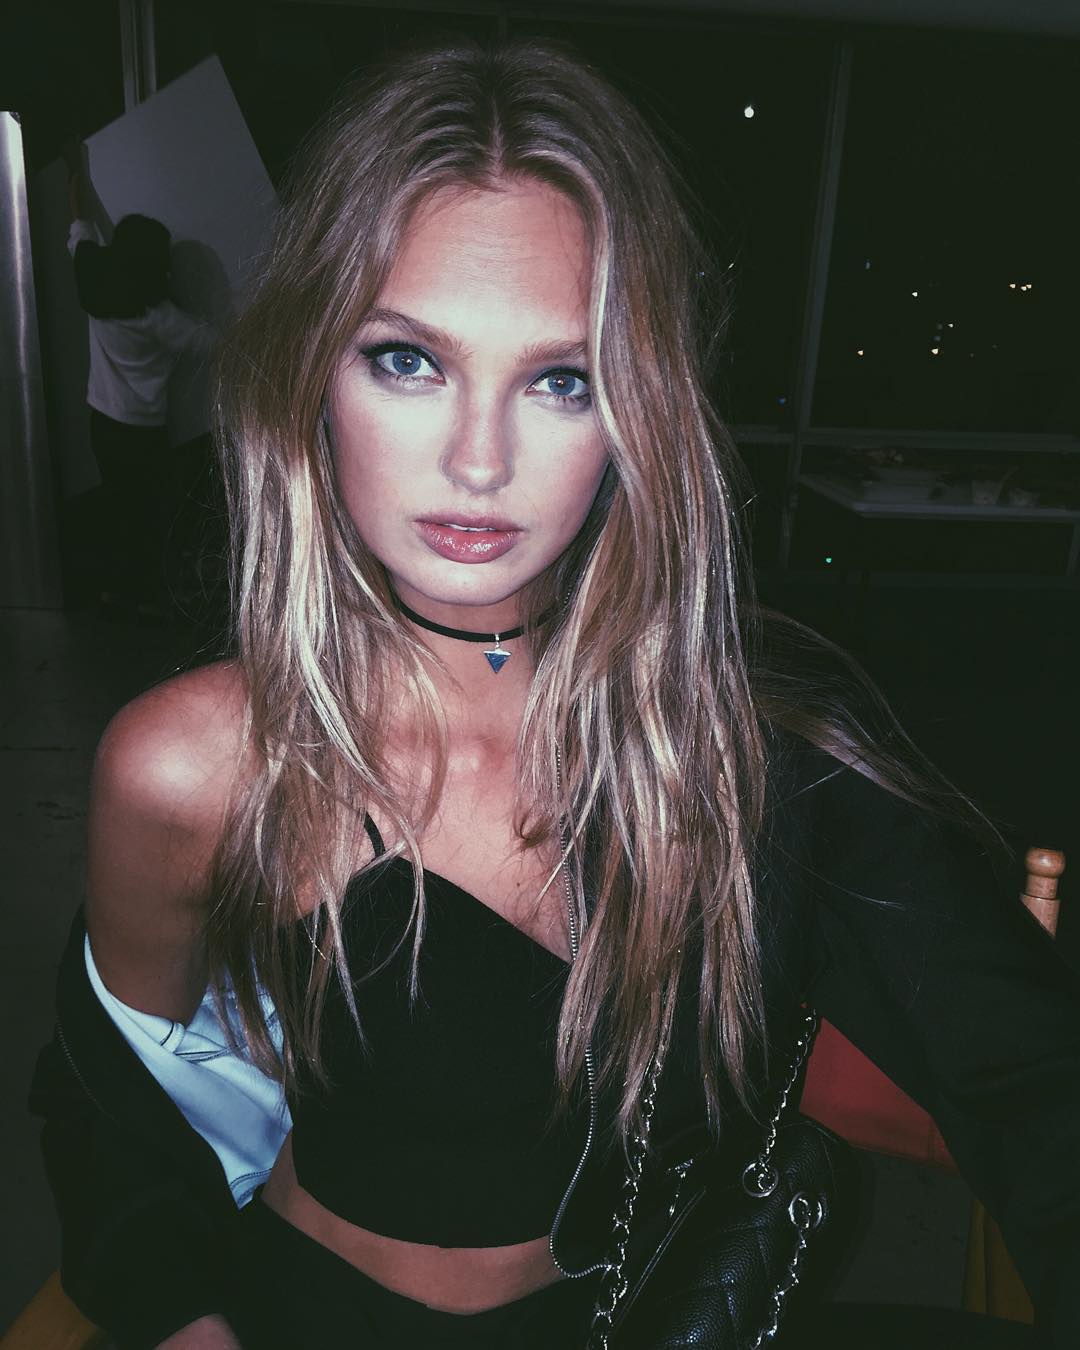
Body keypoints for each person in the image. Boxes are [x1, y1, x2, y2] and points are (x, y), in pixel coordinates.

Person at [30, 37, 1080, 1350]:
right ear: (311, 374)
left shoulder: (757, 746)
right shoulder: (196, 764)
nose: (479, 460)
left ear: (636, 413)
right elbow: (112, 1100)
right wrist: (183, 1320)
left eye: (560, 379)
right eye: (408, 361)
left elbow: (1032, 1083)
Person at [65, 142, 215, 616]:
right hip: (144, 433)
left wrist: (76, 169)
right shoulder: (161, 319)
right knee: (151, 515)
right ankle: (146, 595)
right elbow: (212, 343)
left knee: (117, 509)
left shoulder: (92, 282)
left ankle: (116, 591)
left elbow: (81, 221)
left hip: (102, 424)